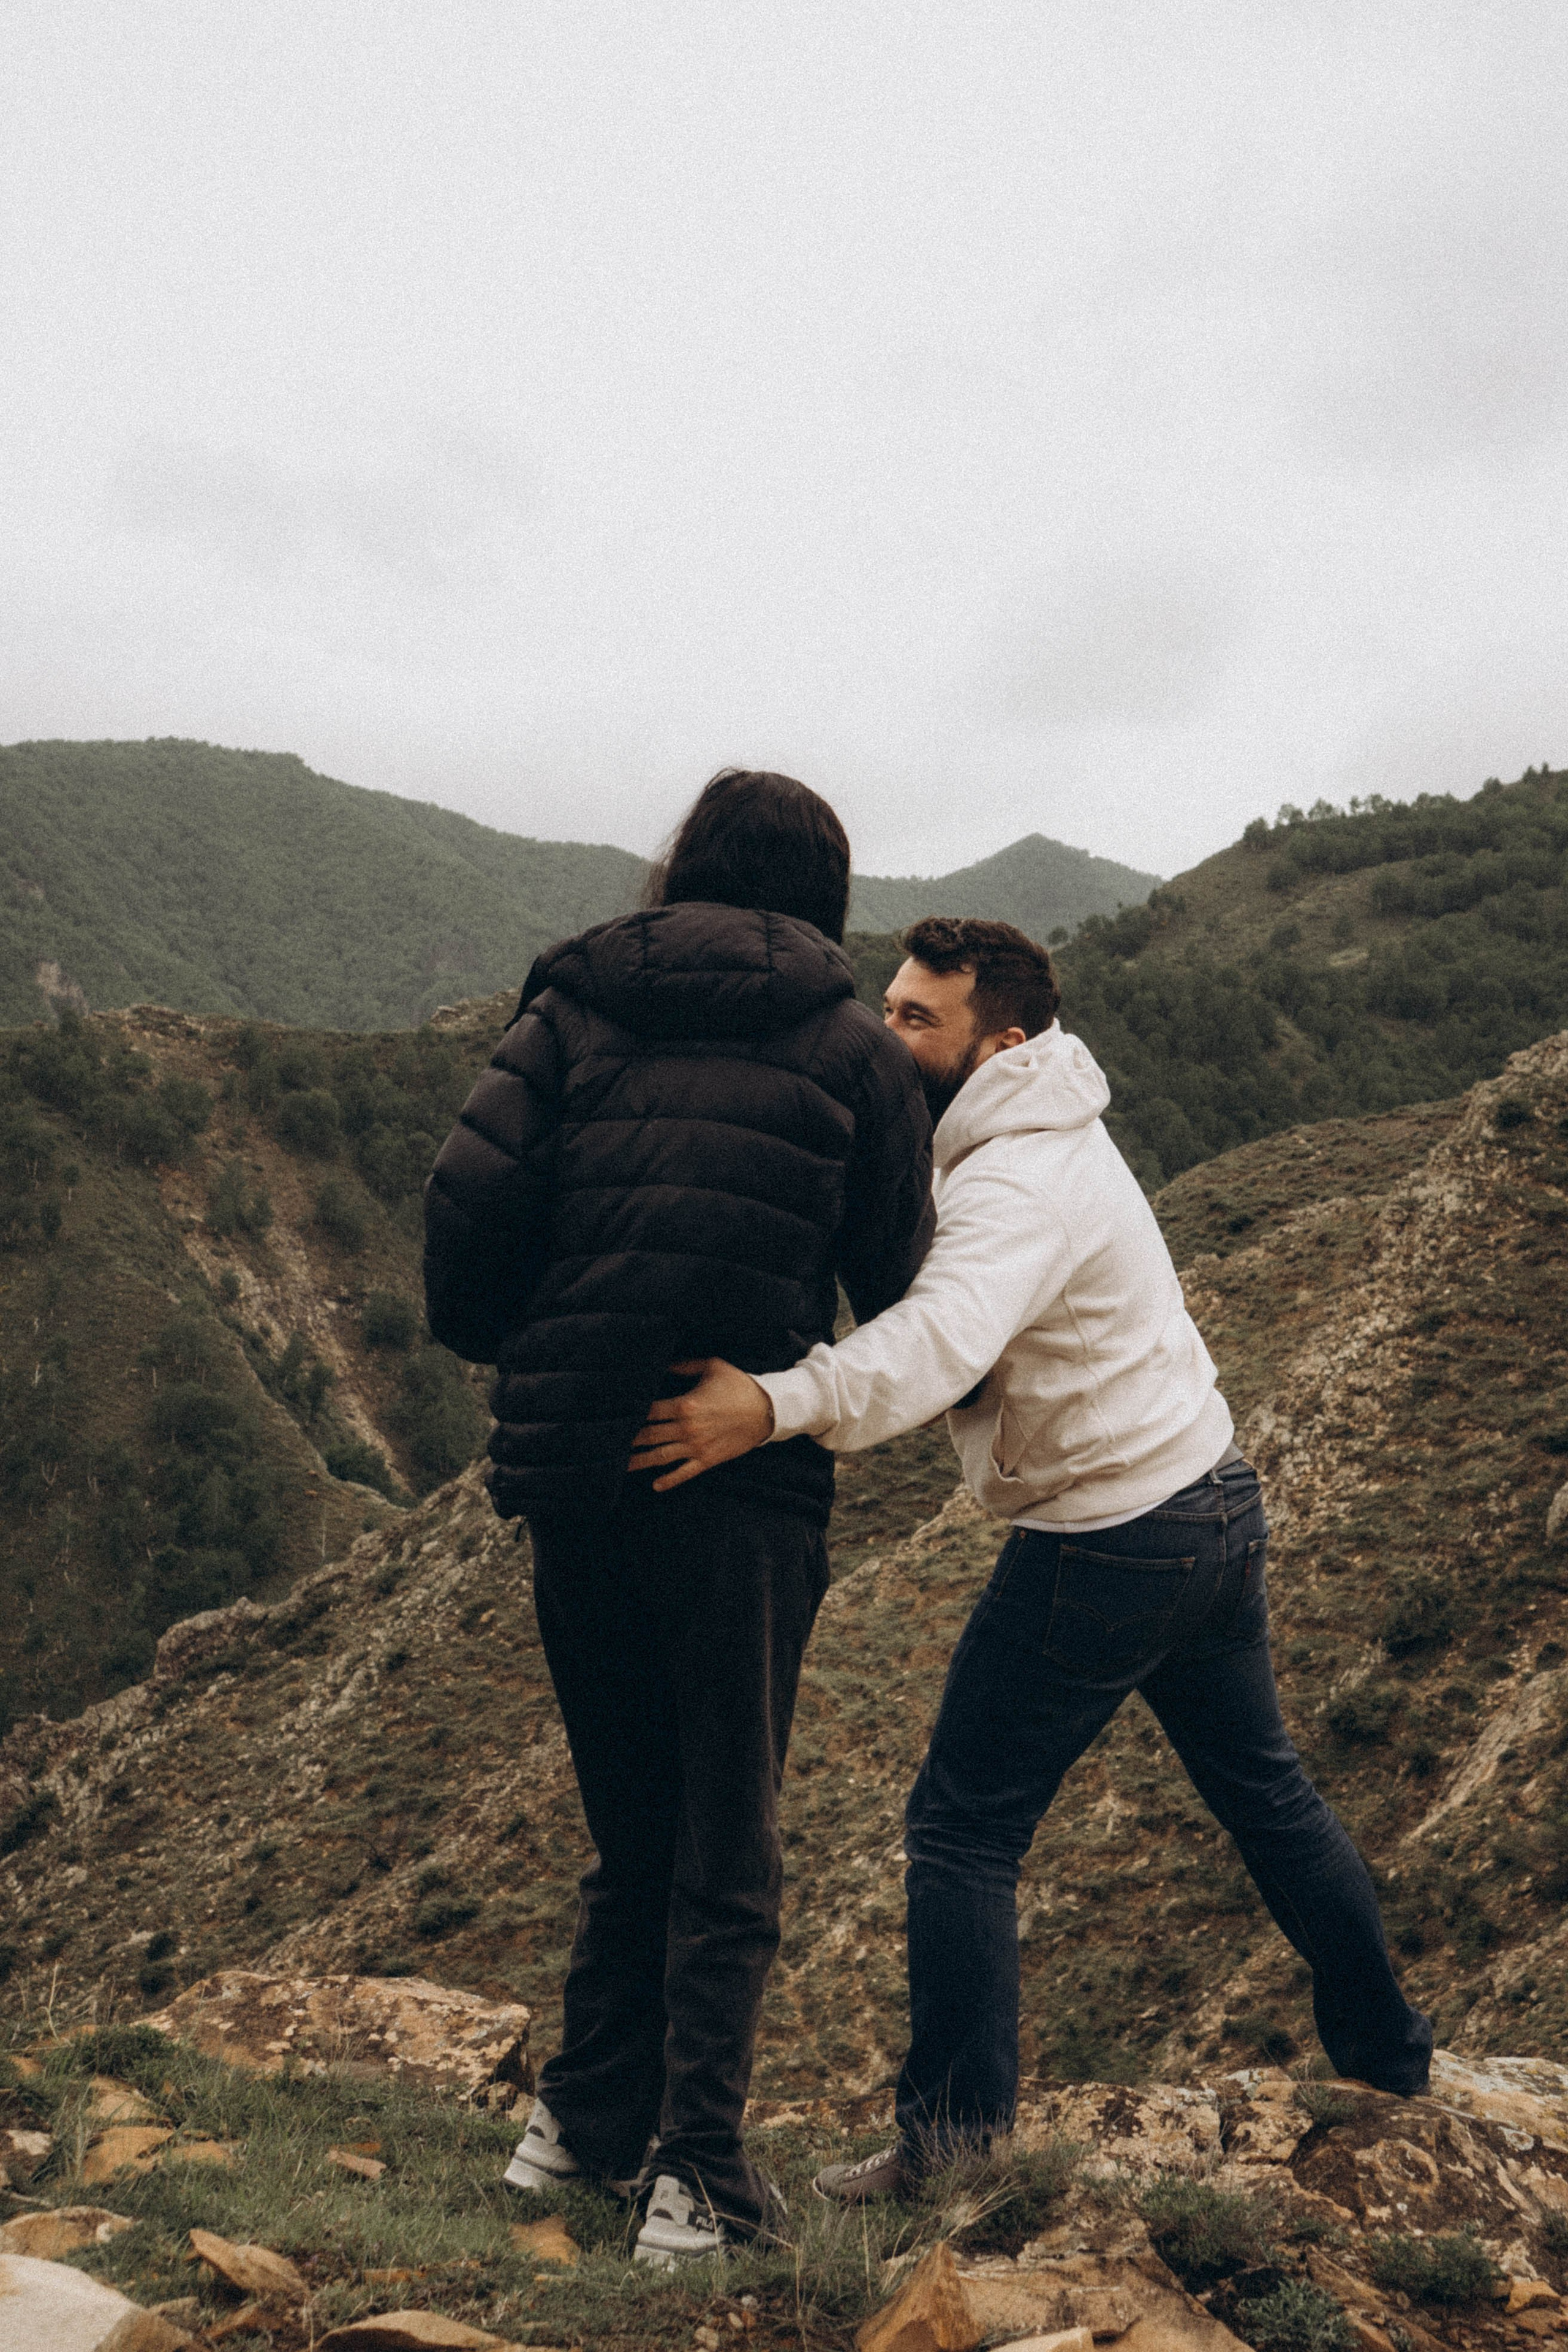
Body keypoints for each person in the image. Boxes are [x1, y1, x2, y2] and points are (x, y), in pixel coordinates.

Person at [631, 914, 1433, 2200]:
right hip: (1209, 1501)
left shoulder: (1012, 1180)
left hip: (1110, 1539)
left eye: (913, 1020)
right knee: (1268, 1800)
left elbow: (941, 1341)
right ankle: (1392, 2066)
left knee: (958, 1832)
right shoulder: (1038, 1124)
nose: (885, 1035)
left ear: (994, 1039)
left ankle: (948, 2153)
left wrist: (769, 1403)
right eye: (884, 1006)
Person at [422, 770, 934, 2261]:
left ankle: (578, 2127)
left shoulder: (567, 1012)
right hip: (740, 1479)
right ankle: (695, 2176)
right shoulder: (854, 1053)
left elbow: (464, 1220)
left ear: (683, 869)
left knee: (628, 1810)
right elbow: (896, 1287)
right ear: (820, 897)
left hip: (574, 1466)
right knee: (728, 1830)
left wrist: (539, 1347)